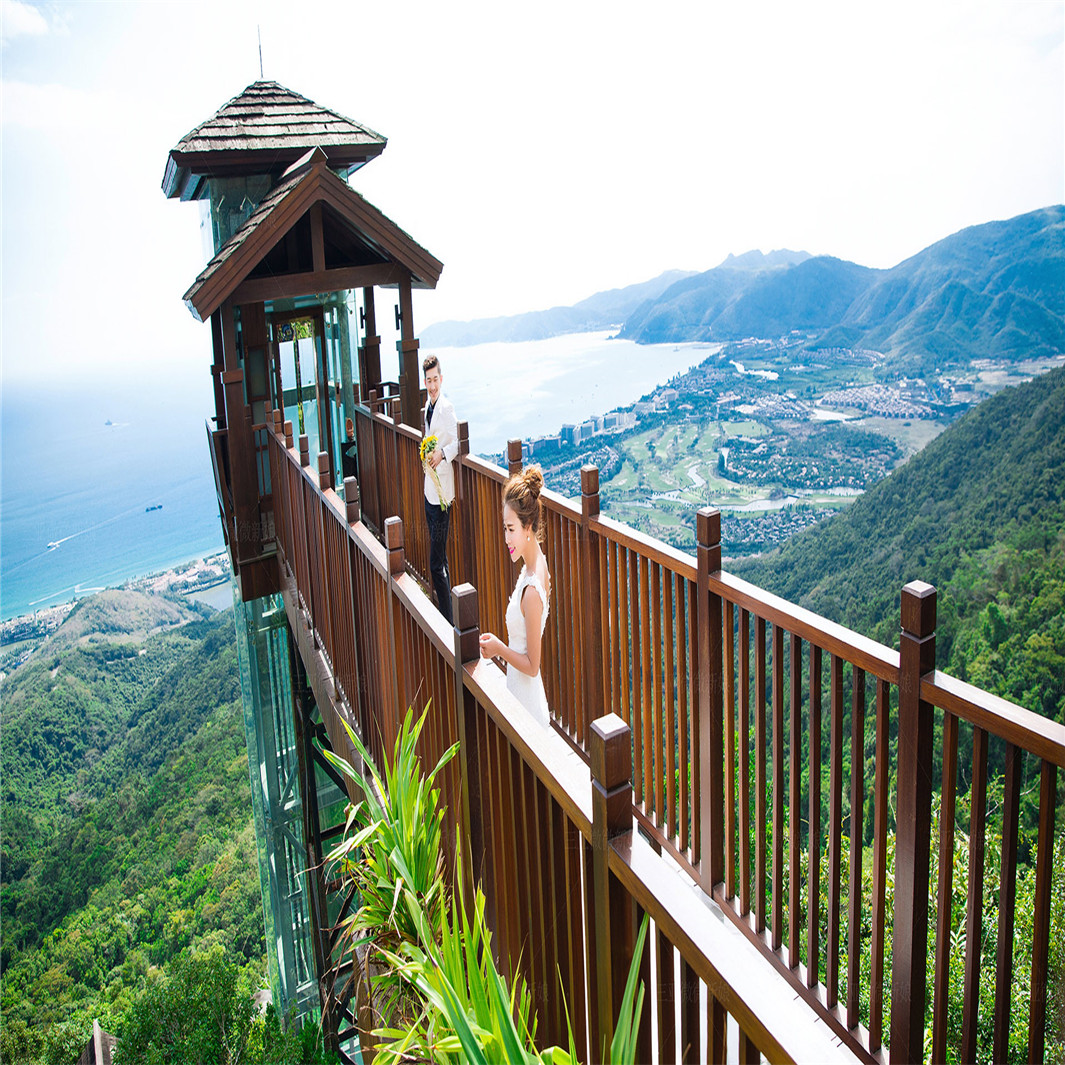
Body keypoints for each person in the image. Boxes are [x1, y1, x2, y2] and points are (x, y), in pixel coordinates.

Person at [478, 466, 551, 726]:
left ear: (528, 526)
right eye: (504, 528)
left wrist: (499, 649)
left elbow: (533, 666)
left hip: (527, 705)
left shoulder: (532, 592)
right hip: (523, 693)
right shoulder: (536, 563)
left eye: (511, 529)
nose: (506, 537)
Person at [422, 355, 458, 624]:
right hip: (429, 492)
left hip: (443, 495)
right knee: (440, 557)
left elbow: (457, 442)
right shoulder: (428, 406)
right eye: (428, 380)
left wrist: (441, 455)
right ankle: (448, 615)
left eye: (436, 379)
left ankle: (448, 622)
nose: (432, 385)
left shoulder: (446, 408)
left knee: (436, 562)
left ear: (441, 379)